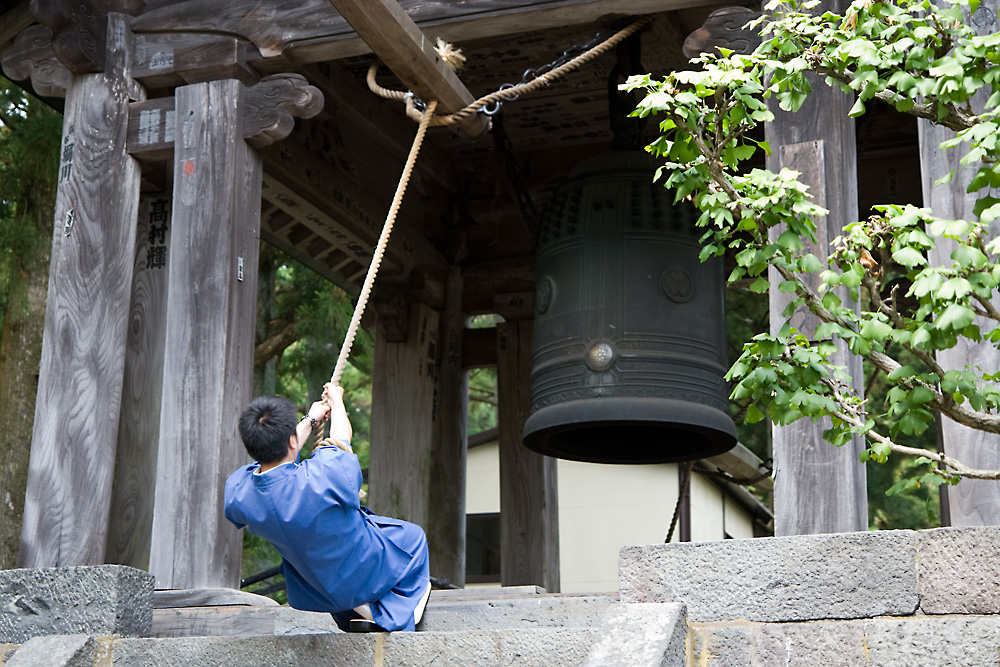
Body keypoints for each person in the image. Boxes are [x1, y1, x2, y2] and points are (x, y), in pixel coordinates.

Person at [224, 384, 431, 632]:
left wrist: (311, 419)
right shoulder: (321, 475)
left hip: (314, 587)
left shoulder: (241, 493)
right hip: (359, 568)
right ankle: (390, 614)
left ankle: (359, 610)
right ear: (292, 440)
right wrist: (337, 400)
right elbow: (341, 440)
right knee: (413, 537)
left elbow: (274, 460)